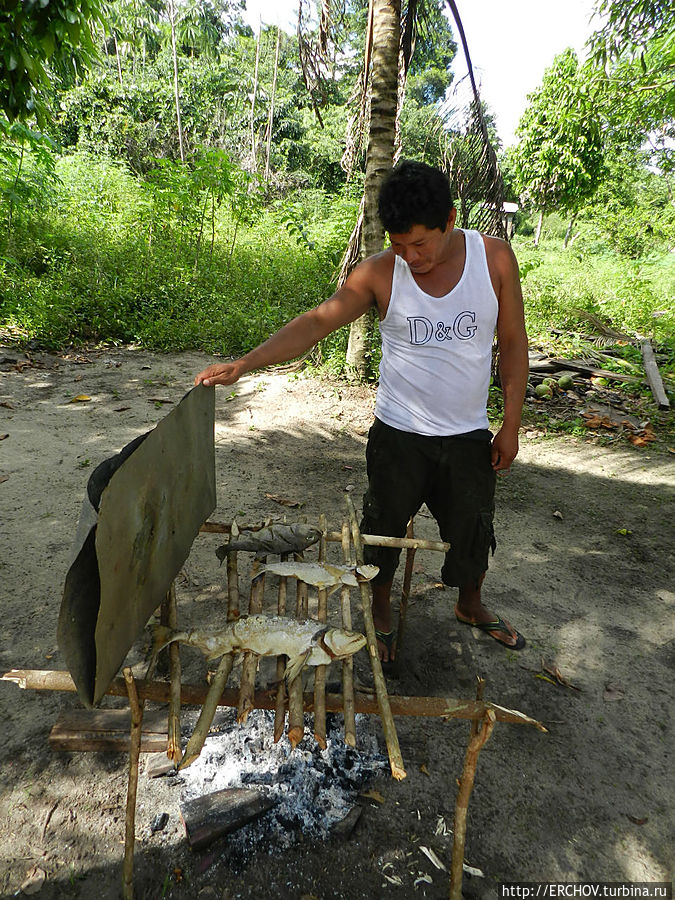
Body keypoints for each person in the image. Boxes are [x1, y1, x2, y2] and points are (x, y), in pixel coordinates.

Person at [195, 159, 529, 661]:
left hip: (468, 436)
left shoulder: (495, 260)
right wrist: (247, 362)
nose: (411, 257)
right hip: (399, 436)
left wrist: (510, 425)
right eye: (399, 245)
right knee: (384, 530)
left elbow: (513, 342)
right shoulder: (378, 273)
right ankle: (380, 611)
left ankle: (471, 603)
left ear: (451, 219)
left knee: (472, 529)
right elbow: (315, 323)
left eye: (421, 244)